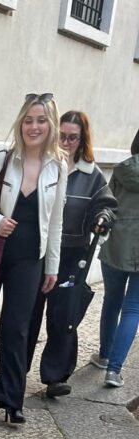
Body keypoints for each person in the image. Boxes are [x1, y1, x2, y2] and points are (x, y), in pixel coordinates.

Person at [0, 93, 67, 424]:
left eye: (41, 120)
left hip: (29, 259)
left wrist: (52, 266)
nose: (33, 127)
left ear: (51, 125)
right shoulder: (2, 160)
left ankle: (10, 399)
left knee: (17, 327)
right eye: (28, 120)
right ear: (20, 123)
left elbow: (56, 221)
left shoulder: (58, 167)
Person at [27, 111, 116, 398]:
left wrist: (102, 218)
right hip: (38, 250)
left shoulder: (92, 174)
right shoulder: (44, 165)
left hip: (72, 254)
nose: (66, 142)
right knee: (28, 311)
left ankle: (55, 378)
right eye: (62, 136)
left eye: (72, 138)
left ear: (83, 139)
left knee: (64, 314)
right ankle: (16, 371)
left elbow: (106, 205)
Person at [91, 128, 139, 388]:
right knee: (133, 308)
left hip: (117, 242)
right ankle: (114, 370)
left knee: (112, 300)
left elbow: (108, 204)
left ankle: (104, 355)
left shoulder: (122, 169)